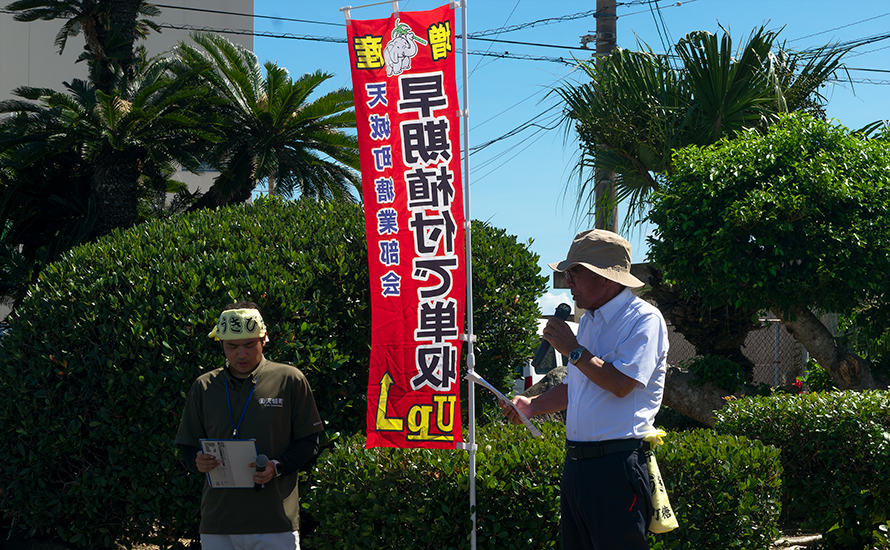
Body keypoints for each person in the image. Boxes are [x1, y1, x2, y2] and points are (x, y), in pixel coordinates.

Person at [502, 229, 668, 550]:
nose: (568, 282)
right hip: (577, 467)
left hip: (618, 466)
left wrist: (574, 350)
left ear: (605, 278)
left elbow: (621, 385)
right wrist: (532, 405)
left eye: (574, 273)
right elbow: (575, 387)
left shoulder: (643, 319)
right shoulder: (590, 320)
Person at [176, 302, 324, 550]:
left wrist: (277, 466)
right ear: (221, 343)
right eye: (232, 346)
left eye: (249, 345)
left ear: (264, 339)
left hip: (276, 523)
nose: (241, 354)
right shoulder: (204, 386)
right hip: (218, 523)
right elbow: (187, 447)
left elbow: (310, 441)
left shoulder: (289, 379)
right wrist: (197, 461)